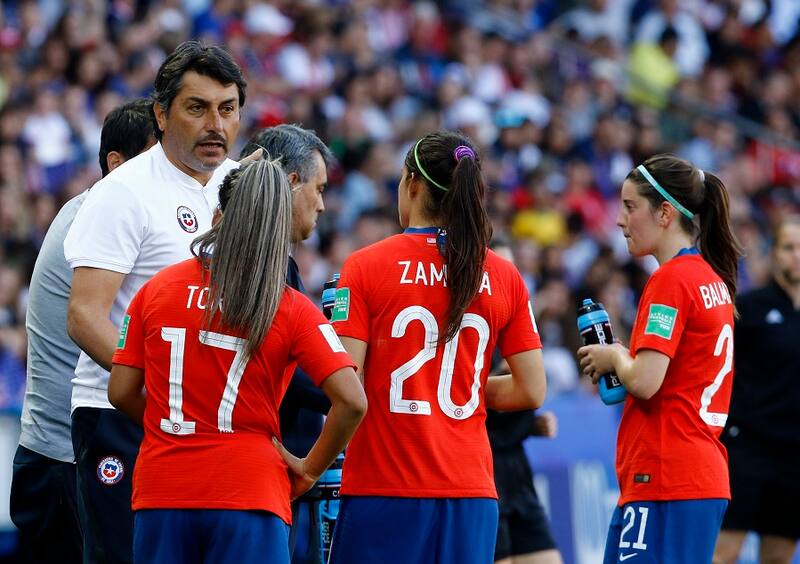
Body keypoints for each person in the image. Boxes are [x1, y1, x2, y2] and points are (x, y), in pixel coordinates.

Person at [107, 158, 366, 564]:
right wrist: (310, 469)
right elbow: (353, 401)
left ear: (217, 215)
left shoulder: (156, 290)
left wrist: (167, 423)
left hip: (164, 489)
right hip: (251, 493)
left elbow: (120, 391)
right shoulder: (289, 307)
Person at [64, 41, 247, 563]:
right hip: (121, 413)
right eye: (197, 107)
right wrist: (157, 394)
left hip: (208, 422)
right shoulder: (125, 192)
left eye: (227, 109)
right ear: (162, 115)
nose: (215, 123)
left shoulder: (238, 186)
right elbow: (84, 315)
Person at [328, 131, 547, 563]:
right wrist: (456, 385)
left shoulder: (365, 266)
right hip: (471, 493)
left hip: (384, 488)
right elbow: (531, 391)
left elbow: (344, 385)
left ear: (412, 183)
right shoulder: (503, 275)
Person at [10, 99, 155, 564]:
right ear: (118, 163)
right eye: (156, 161)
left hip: (72, 454)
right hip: (65, 461)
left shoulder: (108, 216)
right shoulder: (98, 220)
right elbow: (94, 326)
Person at [578, 154, 742, 564]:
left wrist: (614, 354)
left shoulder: (670, 280)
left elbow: (646, 380)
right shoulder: (710, 278)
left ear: (665, 213)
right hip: (695, 475)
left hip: (667, 476)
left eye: (630, 206)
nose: (620, 220)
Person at [240, 124, 335, 564]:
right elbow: (274, 358)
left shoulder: (270, 257)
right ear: (290, 182)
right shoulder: (261, 262)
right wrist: (340, 384)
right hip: (267, 469)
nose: (321, 203)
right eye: (317, 189)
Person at [714, 216, 800, 564]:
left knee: (778, 557)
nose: (796, 256)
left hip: (794, 457)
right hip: (747, 450)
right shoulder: (749, 309)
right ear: (774, 253)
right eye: (788, 247)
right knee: (723, 554)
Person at [487, 239, 563, 564]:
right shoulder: (471, 327)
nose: (507, 275)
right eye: (498, 267)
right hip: (484, 472)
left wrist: (531, 426)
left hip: (518, 473)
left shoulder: (518, 323)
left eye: (511, 268)